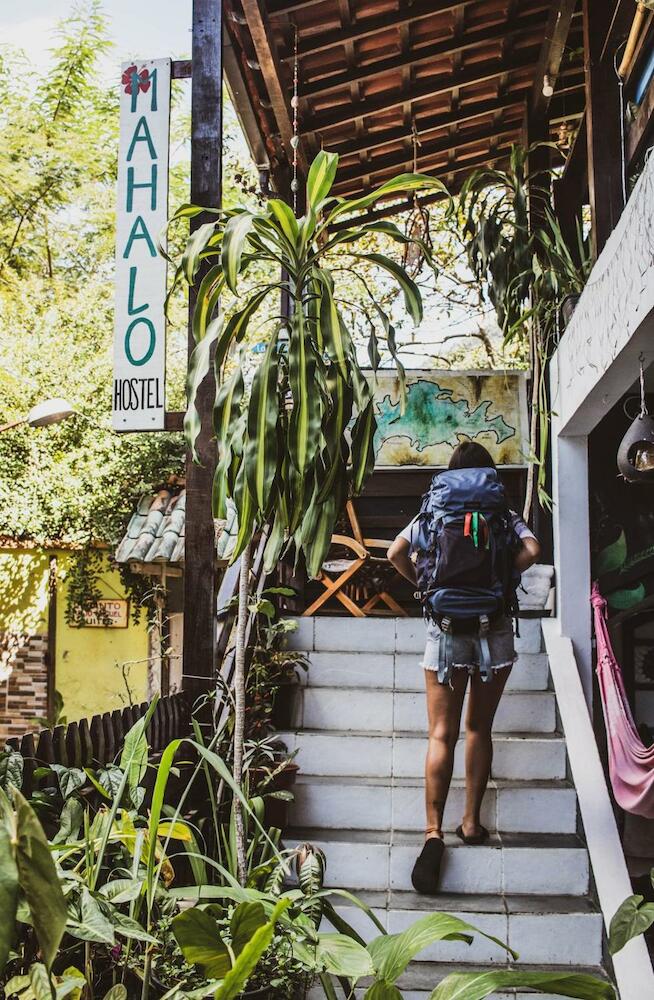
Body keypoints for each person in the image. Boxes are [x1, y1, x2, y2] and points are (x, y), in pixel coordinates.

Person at [387, 441, 540, 894]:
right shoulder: (501, 511)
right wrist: (504, 576)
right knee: (478, 729)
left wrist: (427, 586)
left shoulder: (435, 507)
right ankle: (470, 822)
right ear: (487, 475)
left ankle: (432, 832)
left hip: (446, 627)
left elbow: (395, 554)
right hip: (492, 628)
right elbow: (532, 549)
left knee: (440, 733)